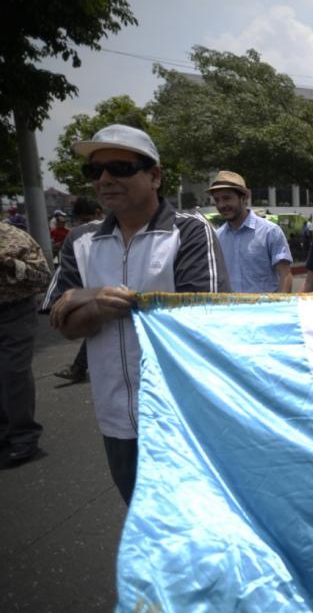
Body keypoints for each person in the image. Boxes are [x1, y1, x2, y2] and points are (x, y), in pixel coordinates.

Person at [41, 124, 230, 504]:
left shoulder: (190, 232)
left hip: (183, 416)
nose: (105, 180)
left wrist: (84, 297)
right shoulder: (81, 241)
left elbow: (199, 316)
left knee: (197, 522)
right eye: (95, 172)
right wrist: (94, 302)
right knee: (143, 519)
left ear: (155, 176)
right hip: (116, 418)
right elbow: (64, 323)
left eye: (120, 168)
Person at [1, 222, 51, 466]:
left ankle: (24, 436)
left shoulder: (15, 238)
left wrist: (9, 263)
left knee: (13, 372)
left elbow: (43, 277)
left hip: (14, 311)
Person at [209, 170, 293, 294]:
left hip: (264, 311)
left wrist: (278, 309)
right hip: (230, 311)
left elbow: (285, 276)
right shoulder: (217, 237)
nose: (221, 205)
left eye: (227, 198)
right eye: (217, 200)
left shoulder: (269, 232)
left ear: (244, 198)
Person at [53, 197, 105, 384]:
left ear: (99, 213)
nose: (86, 225)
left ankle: (78, 368)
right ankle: (78, 368)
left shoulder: (77, 234)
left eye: (87, 219)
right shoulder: (77, 237)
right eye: (81, 221)